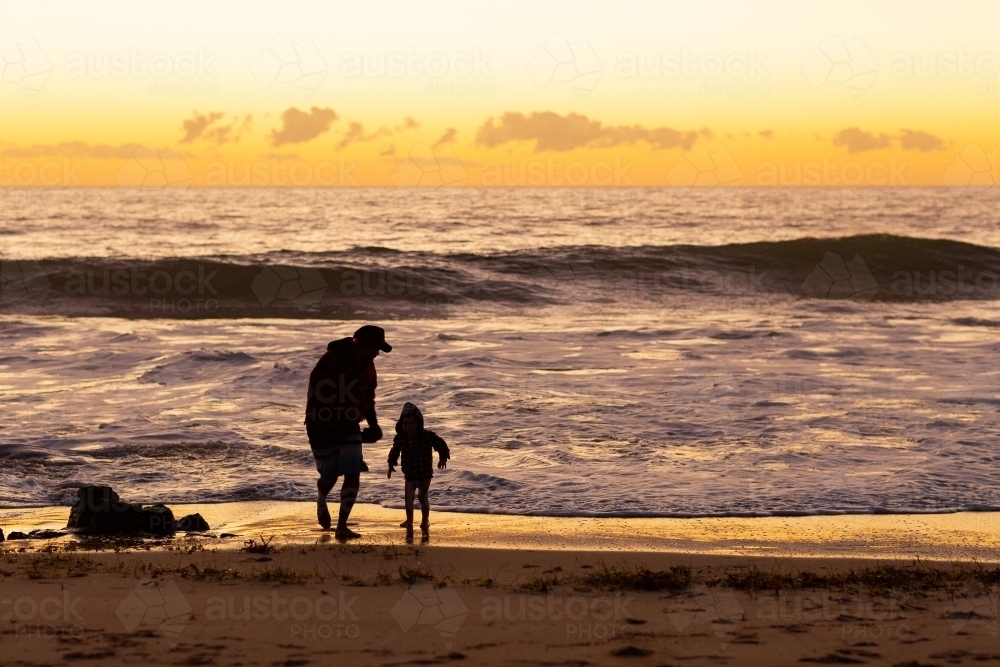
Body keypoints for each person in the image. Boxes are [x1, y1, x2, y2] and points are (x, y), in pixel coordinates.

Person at [304, 325, 391, 540]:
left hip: (350, 426)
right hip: (321, 425)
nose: (376, 354)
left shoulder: (369, 367)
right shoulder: (330, 361)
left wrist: (373, 424)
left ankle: (342, 526)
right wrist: (338, 418)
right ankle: (322, 497)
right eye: (374, 348)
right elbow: (317, 395)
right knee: (330, 474)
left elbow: (368, 398)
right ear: (359, 344)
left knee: (353, 471)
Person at [387, 402, 450, 533]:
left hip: (424, 473)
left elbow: (440, 444)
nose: (408, 427)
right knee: (408, 497)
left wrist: (443, 457)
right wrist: (391, 464)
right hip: (409, 473)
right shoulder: (401, 438)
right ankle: (409, 520)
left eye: (411, 423)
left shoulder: (426, 436)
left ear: (418, 423)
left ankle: (425, 519)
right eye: (405, 424)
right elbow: (394, 451)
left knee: (422, 496)